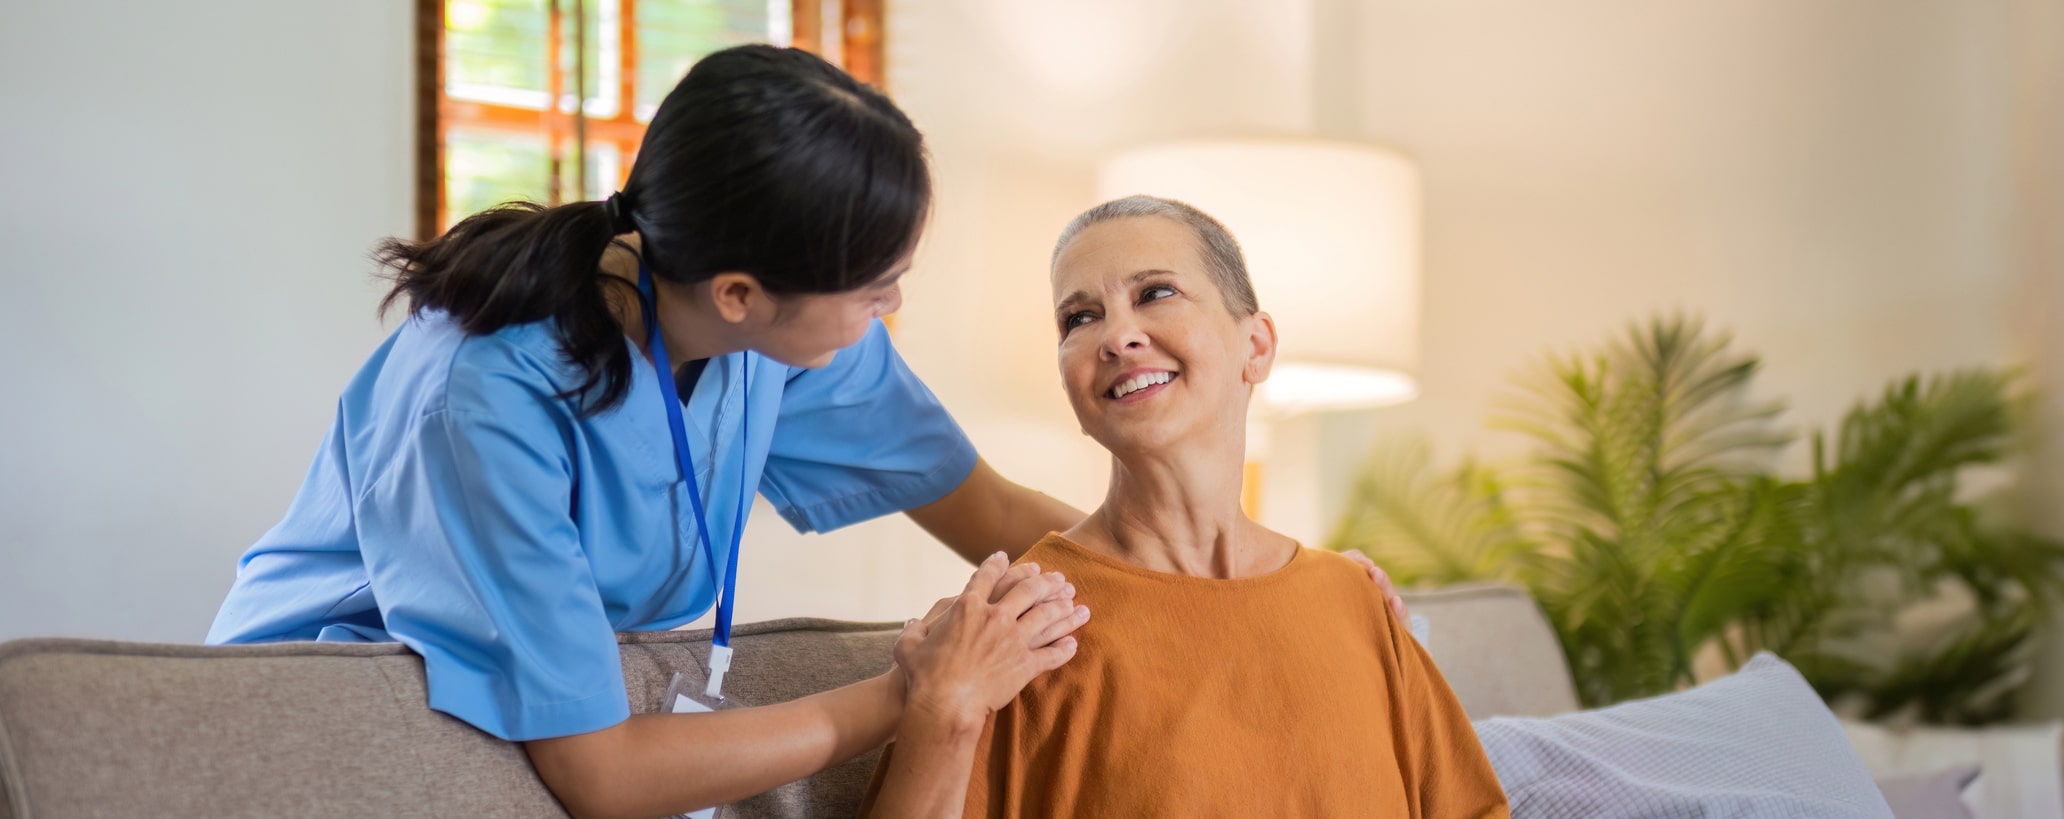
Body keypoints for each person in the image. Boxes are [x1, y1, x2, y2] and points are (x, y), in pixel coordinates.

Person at [205, 46, 1406, 819]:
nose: (892, 308)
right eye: (875, 286)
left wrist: (1271, 586)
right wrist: (916, 692)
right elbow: (602, 772)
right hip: (348, 715)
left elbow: (986, 513)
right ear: (739, 293)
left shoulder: (776, 330)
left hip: (556, 715)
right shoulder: (483, 400)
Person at [859, 196, 1509, 818]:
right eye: (1079, 317)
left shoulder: (1357, 599)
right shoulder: (1019, 625)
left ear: (1255, 347)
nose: (1117, 336)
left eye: (1155, 292)